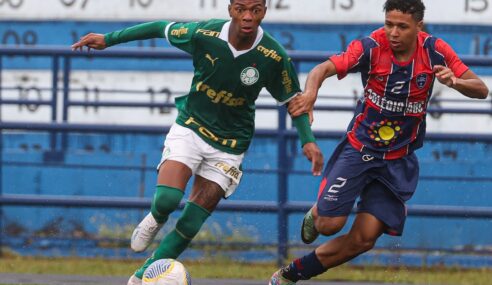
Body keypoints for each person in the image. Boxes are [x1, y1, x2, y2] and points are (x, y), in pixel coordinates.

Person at [71, 0, 324, 284]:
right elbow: (159, 27)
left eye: (256, 9)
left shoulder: (273, 56)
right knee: (167, 199)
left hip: (230, 145)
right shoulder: (205, 34)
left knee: (192, 220)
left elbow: (294, 101)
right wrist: (108, 39)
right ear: (230, 9)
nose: (248, 16)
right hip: (191, 126)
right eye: (241, 8)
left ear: (265, 11)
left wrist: (308, 141)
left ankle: (142, 276)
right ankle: (156, 216)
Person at [269, 0, 489, 284]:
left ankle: (291, 274)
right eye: (389, 24)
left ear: (418, 27)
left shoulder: (435, 51)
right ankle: (317, 212)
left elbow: (481, 89)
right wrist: (311, 94)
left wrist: (456, 82)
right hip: (359, 151)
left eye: (401, 26)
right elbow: (321, 69)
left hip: (397, 160)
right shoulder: (371, 47)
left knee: (364, 239)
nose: (393, 33)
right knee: (328, 225)